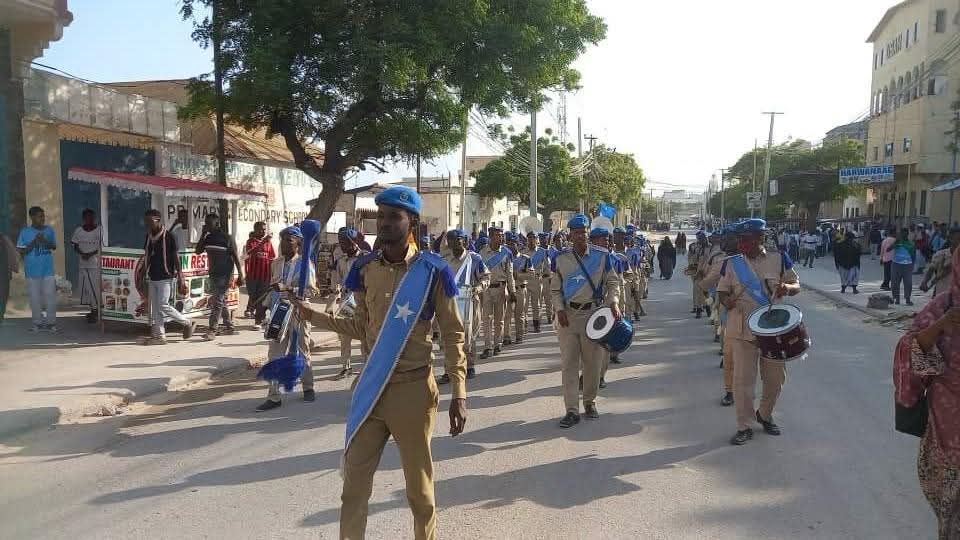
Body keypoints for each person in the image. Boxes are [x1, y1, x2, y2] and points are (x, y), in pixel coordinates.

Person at [296, 185, 467, 540]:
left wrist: (459, 393)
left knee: (419, 493)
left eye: (394, 217)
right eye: (382, 217)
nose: (385, 223)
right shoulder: (365, 269)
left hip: (413, 391)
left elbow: (453, 335)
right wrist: (313, 315)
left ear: (412, 222)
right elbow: (362, 327)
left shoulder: (432, 271)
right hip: (372, 389)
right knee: (353, 489)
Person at [893, 246, 960, 539]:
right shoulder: (944, 305)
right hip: (948, 421)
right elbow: (909, 348)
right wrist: (942, 325)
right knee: (952, 508)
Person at [718, 219, 800, 446]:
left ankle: (764, 414)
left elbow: (796, 285)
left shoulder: (779, 258)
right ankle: (744, 426)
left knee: (775, 379)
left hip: (773, 330)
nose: (742, 243)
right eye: (740, 239)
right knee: (742, 382)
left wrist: (787, 288)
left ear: (761, 238)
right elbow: (722, 292)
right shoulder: (732, 263)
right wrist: (727, 301)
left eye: (747, 239)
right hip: (743, 329)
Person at [551, 214, 620, 427]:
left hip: (594, 315)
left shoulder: (602, 256)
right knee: (569, 365)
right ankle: (571, 410)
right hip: (568, 317)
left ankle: (590, 402)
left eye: (584, 231)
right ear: (570, 235)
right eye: (577, 232)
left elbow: (613, 282)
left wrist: (613, 302)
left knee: (593, 364)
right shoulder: (560, 258)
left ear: (588, 233)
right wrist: (559, 309)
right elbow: (555, 290)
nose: (581, 235)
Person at [255, 225, 317, 411]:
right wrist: (263, 305)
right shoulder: (276, 263)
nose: (284, 244)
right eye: (282, 240)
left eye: (289, 240)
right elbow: (272, 288)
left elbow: (312, 291)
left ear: (298, 243)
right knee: (275, 354)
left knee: (302, 351)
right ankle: (274, 396)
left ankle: (308, 387)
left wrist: (289, 289)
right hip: (278, 313)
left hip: (299, 312)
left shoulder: (305, 264)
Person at [438, 229, 489, 382]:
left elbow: (486, 277)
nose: (455, 242)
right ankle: (449, 370)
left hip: (469, 302)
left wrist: (477, 288)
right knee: (448, 336)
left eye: (458, 239)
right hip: (449, 303)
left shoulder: (474, 259)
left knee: (468, 335)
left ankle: (469, 366)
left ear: (465, 241)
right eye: (451, 239)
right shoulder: (444, 259)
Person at [142, 209, 195, 344]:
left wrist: (181, 276)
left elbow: (175, 257)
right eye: (146, 221)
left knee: (163, 305)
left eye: (150, 221)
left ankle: (186, 322)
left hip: (165, 276)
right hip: (153, 275)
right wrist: (143, 273)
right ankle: (161, 336)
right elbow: (147, 256)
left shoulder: (169, 236)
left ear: (158, 220)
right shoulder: (149, 236)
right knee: (156, 308)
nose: (147, 223)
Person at [326, 227, 369, 380]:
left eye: (345, 242)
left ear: (354, 241)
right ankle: (346, 367)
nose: (342, 245)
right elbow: (336, 285)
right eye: (340, 242)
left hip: (363, 302)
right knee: (344, 336)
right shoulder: (341, 262)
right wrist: (331, 306)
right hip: (345, 302)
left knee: (365, 336)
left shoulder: (365, 259)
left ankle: (367, 367)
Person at [195, 213, 244, 339]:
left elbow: (235, 257)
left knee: (217, 301)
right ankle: (229, 326)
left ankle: (212, 330)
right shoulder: (208, 238)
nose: (207, 225)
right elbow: (198, 251)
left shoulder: (227, 238)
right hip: (213, 273)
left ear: (217, 224)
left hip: (225, 274)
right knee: (221, 300)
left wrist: (240, 274)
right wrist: (202, 234)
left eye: (209, 223)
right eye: (206, 223)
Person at [16, 206, 58, 333]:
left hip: (47, 270)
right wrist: (34, 241)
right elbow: (22, 250)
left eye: (43, 216)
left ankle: (51, 323)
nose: (43, 218)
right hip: (32, 271)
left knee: (50, 297)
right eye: (40, 216)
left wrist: (45, 240)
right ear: (32, 217)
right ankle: (37, 323)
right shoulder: (25, 232)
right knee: (34, 298)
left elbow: (53, 246)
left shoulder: (49, 230)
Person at [479, 226, 516, 357]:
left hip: (501, 288)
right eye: (497, 235)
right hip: (486, 289)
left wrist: (512, 291)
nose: (500, 238)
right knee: (486, 318)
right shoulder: (482, 252)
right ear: (490, 237)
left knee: (499, 319)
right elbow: (479, 272)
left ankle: (497, 344)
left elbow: (510, 273)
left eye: (501, 235)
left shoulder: (506, 253)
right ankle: (487, 347)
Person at [70, 208, 103, 323]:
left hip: (95, 264)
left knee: (95, 288)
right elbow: (74, 245)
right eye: (87, 217)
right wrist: (82, 253)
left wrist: (90, 254)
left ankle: (97, 310)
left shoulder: (99, 230)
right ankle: (93, 309)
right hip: (83, 264)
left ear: (94, 218)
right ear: (83, 219)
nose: (90, 219)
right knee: (87, 289)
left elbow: (102, 246)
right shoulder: (78, 231)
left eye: (91, 217)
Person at [242, 221, 274, 324]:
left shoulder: (269, 243)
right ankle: (251, 311)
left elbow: (272, 257)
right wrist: (263, 241)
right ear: (255, 230)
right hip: (252, 276)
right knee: (253, 297)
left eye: (264, 229)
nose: (263, 231)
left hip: (265, 276)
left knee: (262, 298)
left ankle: (259, 320)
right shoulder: (250, 241)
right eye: (261, 229)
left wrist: (273, 273)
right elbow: (250, 252)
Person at [506, 231, 532, 344]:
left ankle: (519, 335)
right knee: (507, 315)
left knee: (519, 314)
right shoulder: (505, 258)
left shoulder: (525, 259)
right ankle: (506, 337)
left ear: (518, 244)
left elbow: (531, 274)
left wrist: (518, 275)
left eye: (513, 243)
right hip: (508, 290)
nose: (511, 246)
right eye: (509, 244)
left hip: (520, 288)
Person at [921, 227, 960, 299]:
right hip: (942, 296)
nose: (958, 242)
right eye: (957, 239)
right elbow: (931, 270)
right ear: (950, 239)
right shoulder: (941, 255)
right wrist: (924, 282)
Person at [525, 231, 549, 333]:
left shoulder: (542, 252)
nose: (531, 240)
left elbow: (547, 266)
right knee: (525, 305)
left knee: (537, 304)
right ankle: (524, 324)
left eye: (533, 238)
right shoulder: (523, 251)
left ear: (536, 239)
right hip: (525, 280)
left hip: (537, 280)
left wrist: (545, 276)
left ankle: (537, 324)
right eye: (529, 238)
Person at [887, 228, 917, 306]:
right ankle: (896, 298)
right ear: (900, 234)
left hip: (908, 265)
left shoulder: (910, 243)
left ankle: (907, 299)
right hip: (896, 264)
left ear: (907, 234)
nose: (904, 235)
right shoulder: (897, 242)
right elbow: (888, 250)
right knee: (895, 282)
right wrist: (895, 242)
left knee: (908, 283)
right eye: (902, 233)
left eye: (905, 233)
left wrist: (912, 265)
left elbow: (913, 255)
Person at [687, 231, 708, 317]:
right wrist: (690, 267)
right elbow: (690, 257)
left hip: (708, 271)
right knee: (697, 289)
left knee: (706, 291)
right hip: (696, 270)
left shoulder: (710, 247)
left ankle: (706, 306)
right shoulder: (693, 246)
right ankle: (697, 307)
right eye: (699, 238)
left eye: (702, 238)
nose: (700, 239)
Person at [0, 231, 18, 324]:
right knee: (3, 295)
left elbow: (12, 254)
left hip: (4, 272)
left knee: (3, 295)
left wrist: (12, 268)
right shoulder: (5, 239)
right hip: (4, 273)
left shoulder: (4, 239)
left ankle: (1, 316)